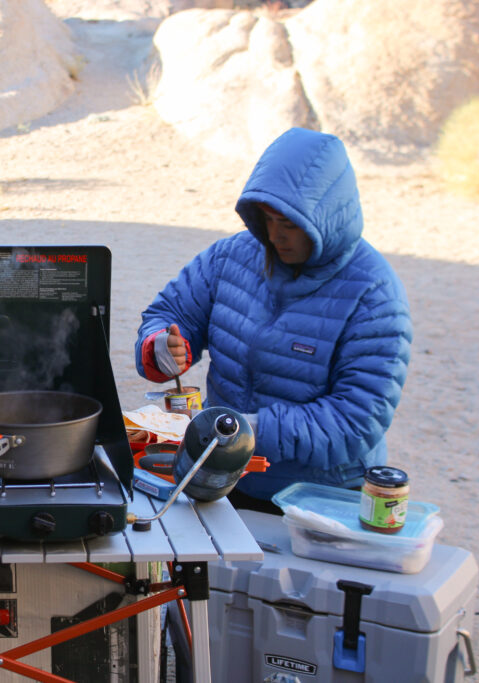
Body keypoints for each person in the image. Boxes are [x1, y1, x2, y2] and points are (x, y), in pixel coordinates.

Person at [135, 127, 413, 513]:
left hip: (322, 498)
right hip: (227, 476)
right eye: (267, 220)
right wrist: (161, 346)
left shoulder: (374, 294)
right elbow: (170, 312)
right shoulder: (232, 256)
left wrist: (252, 432)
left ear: (326, 218)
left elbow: (357, 420)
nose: (276, 236)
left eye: (290, 225)